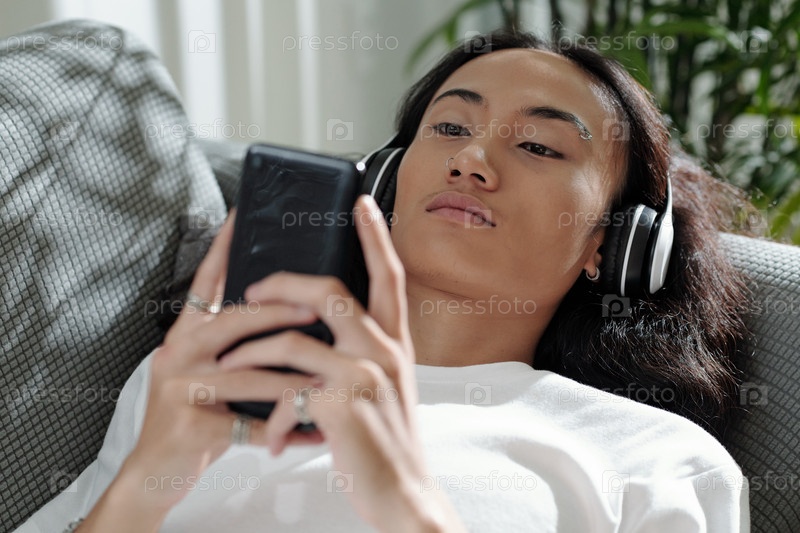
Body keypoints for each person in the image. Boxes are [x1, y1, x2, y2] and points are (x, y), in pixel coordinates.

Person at [18, 30, 754, 532]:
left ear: (611, 243)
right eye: (449, 128)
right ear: (385, 183)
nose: (470, 161)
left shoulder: (656, 460)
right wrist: (144, 484)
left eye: (537, 144)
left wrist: (403, 500)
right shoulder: (199, 374)